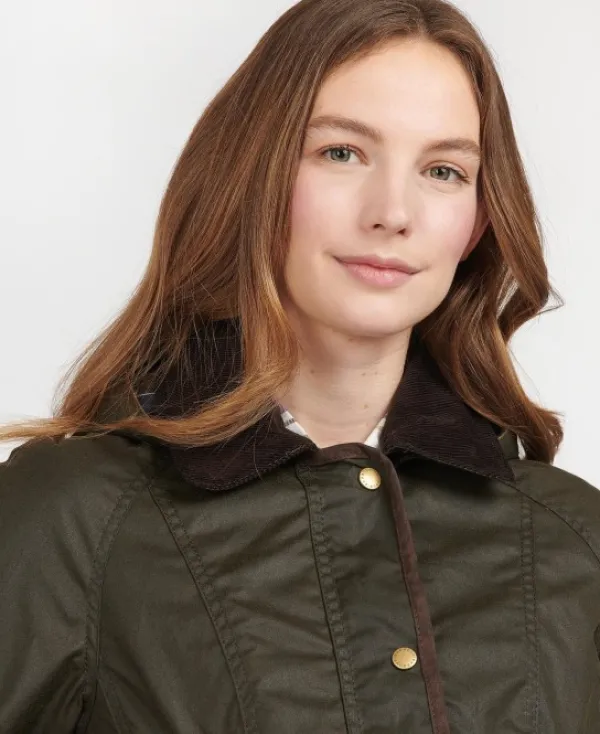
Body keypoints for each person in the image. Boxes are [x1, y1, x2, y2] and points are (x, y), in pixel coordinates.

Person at [1, 0, 599, 731]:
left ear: (476, 222)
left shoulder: (576, 540)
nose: (393, 212)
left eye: (443, 170)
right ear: (253, 174)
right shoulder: (72, 517)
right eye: (341, 153)